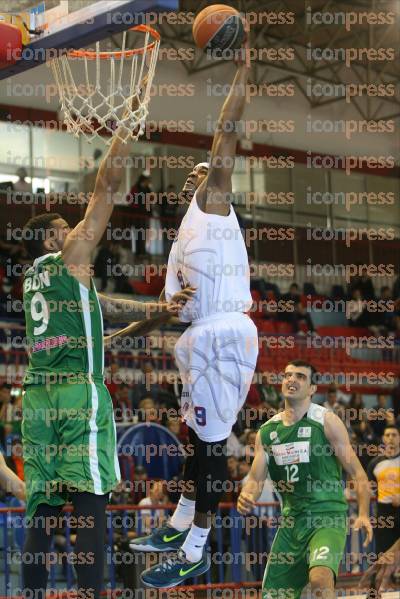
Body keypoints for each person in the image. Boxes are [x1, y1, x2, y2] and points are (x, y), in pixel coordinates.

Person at [20, 90, 195, 599]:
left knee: (44, 507)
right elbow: (106, 189)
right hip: (78, 396)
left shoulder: (36, 282)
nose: (76, 229)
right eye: (65, 227)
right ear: (54, 241)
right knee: (90, 501)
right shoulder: (72, 254)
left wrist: (157, 311)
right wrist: (125, 127)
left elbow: (104, 316)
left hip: (38, 398)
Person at [130, 41, 259, 588]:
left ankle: (197, 548)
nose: (198, 179)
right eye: (196, 175)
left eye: (207, 173)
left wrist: (245, 69)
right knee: (194, 439)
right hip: (196, 339)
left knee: (208, 448)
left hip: (225, 333)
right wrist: (142, 323)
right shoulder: (179, 246)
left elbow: (225, 132)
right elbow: (168, 312)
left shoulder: (215, 207)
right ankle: (181, 522)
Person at [237, 359, 373, 599]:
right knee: (272, 596)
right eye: (288, 375)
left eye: (300, 376)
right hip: (291, 522)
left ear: (312, 389)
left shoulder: (326, 421)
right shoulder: (268, 432)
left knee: (320, 579)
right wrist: (247, 496)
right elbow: (255, 479)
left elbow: (359, 475)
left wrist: (363, 513)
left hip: (327, 516)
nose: (292, 379)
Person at [367, 426, 400, 556]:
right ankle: (383, 577)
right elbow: (372, 487)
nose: (390, 438)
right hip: (383, 512)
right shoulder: (374, 464)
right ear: (383, 439)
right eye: (387, 435)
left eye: (394, 435)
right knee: (383, 554)